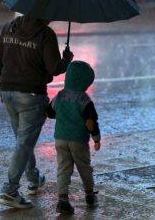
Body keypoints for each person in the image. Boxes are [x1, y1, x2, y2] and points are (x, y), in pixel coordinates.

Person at [0, 16, 74, 209]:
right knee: (24, 143)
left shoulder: (8, 27)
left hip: (8, 92)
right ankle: (10, 190)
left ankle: (33, 178)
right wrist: (66, 60)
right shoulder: (46, 34)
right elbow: (53, 68)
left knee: (23, 141)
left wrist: (1, 88)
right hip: (31, 95)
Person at [46, 60, 101, 215]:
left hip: (60, 138)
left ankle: (63, 200)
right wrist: (96, 138)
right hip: (78, 140)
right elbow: (90, 122)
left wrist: (63, 115)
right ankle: (90, 196)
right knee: (84, 167)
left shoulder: (60, 95)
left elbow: (50, 112)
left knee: (63, 168)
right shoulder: (84, 99)